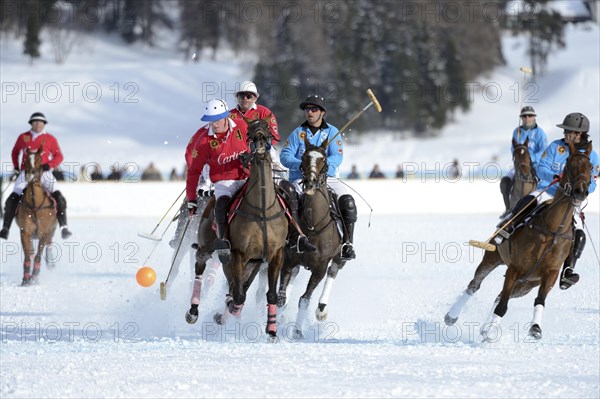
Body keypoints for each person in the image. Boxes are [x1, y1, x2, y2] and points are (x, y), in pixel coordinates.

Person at [496, 112, 599, 289]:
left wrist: (581, 191)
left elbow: (592, 183)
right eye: (565, 131)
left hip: (570, 199)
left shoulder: (592, 156)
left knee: (579, 232)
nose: (565, 135)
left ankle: (568, 270)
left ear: (579, 134)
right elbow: (542, 167)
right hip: (549, 189)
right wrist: (554, 177)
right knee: (527, 202)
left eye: (569, 132)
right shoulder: (555, 147)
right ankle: (507, 227)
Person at [280, 95, 358, 260]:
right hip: (301, 179)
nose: (310, 112)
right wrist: (303, 165)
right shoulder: (298, 133)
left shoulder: (332, 132)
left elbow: (337, 157)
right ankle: (290, 239)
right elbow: (284, 156)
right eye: (307, 109)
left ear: (322, 112)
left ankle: (347, 243)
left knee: (347, 202)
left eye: (314, 109)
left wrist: (320, 168)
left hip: (327, 179)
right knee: (287, 198)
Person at [185, 98, 249, 262]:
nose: (214, 124)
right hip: (224, 182)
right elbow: (193, 172)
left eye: (217, 119)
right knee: (221, 205)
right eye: (211, 120)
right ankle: (223, 242)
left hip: (248, 177)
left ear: (226, 116)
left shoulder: (241, 125)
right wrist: (191, 198)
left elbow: (258, 141)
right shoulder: (204, 141)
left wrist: (252, 155)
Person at [1, 112, 72, 240]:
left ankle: (63, 227)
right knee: (11, 198)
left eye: (40, 122)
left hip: (44, 173)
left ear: (44, 124)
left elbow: (59, 156)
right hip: (26, 173)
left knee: (59, 197)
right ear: (31, 124)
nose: (38, 124)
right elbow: (15, 152)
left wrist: (49, 165)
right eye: (35, 122)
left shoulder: (50, 139)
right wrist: (17, 167)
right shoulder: (23, 137)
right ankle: (6, 228)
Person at [229, 81, 285, 181]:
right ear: (237, 98)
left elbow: (275, 137)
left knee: (282, 183)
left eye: (249, 96)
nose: (245, 99)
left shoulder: (264, 112)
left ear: (255, 98)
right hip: (236, 156)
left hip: (262, 151)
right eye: (241, 96)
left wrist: (256, 146)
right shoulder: (229, 116)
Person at [499, 106, 548, 217]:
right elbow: (513, 148)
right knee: (505, 182)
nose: (527, 118)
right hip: (519, 165)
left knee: (545, 184)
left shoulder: (540, 133)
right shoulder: (517, 131)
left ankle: (542, 209)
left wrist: (530, 158)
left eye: (530, 116)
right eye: (524, 116)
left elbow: (544, 151)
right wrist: (519, 158)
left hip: (535, 165)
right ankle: (508, 208)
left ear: (534, 117)